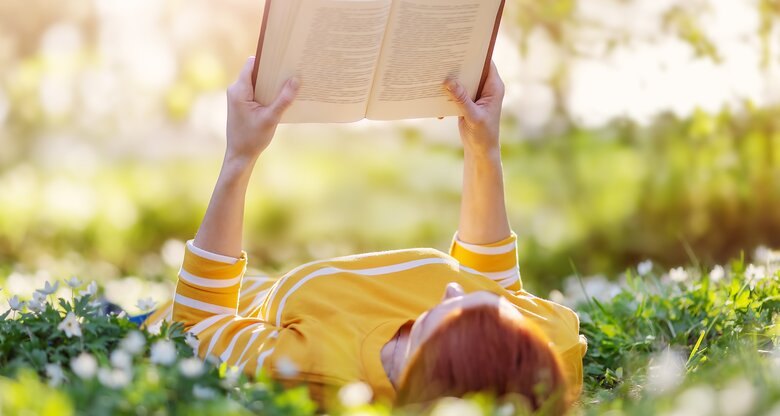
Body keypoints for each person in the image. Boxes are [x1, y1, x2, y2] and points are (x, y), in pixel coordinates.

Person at [143, 57, 587, 412]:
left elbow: (195, 327)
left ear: (426, 365)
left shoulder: (316, 370)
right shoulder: (546, 354)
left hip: (157, 318)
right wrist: (482, 145)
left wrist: (239, 156)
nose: (454, 288)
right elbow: (494, 284)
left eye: (451, 314)